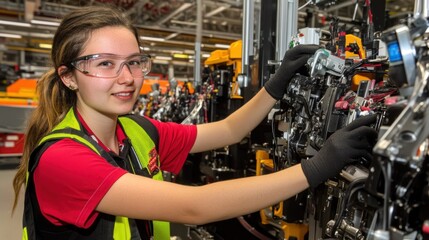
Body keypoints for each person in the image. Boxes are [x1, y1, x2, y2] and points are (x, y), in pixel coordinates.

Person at [11, 5, 378, 240]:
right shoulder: (63, 158)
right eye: (105, 63)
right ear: (69, 76)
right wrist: (317, 167)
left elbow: (228, 130)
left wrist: (276, 85)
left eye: (134, 62)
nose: (127, 78)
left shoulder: (137, 130)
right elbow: (195, 206)